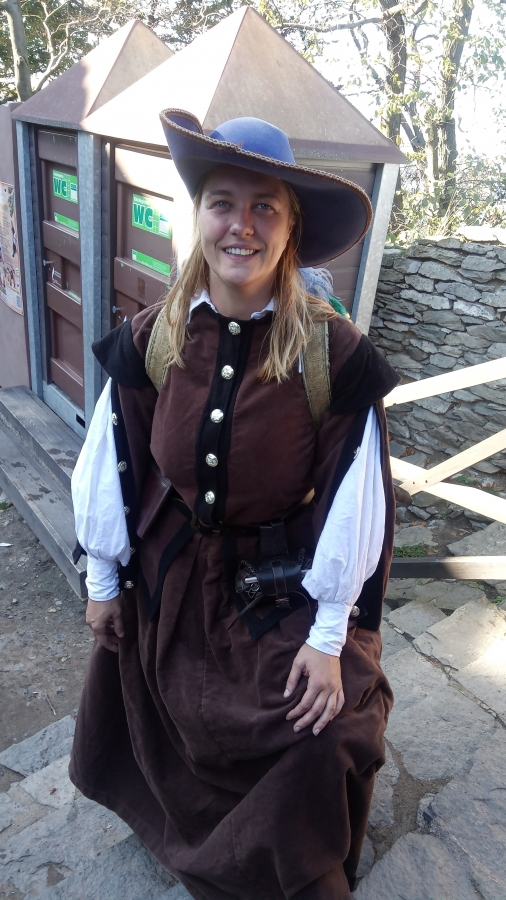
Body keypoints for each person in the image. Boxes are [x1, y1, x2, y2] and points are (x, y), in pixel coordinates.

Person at [69, 110, 400, 900]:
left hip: (282, 592)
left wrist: (328, 637)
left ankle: (284, 861)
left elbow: (357, 498)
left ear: (290, 229)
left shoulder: (333, 355)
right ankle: (192, 831)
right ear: (200, 215)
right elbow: (112, 458)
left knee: (324, 726)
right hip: (175, 585)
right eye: (223, 202)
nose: (241, 226)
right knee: (177, 701)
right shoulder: (153, 338)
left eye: (264, 208)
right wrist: (104, 583)